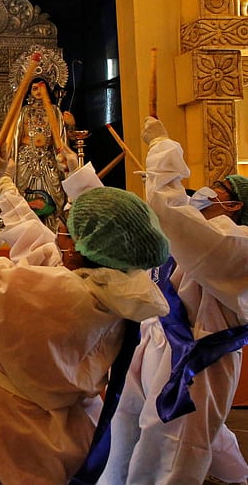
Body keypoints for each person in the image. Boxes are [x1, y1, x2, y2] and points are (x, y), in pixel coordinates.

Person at [0, 140, 170, 485]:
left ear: (83, 247)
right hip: (70, 429)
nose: (62, 239)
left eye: (69, 233)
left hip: (10, 431)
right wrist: (6, 188)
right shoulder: (120, 288)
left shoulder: (50, 296)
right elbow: (40, 249)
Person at [97, 116, 248, 485]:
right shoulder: (194, 237)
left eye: (217, 189)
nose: (206, 192)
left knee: (172, 449)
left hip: (197, 357)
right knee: (125, 431)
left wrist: (162, 149)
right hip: (157, 343)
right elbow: (157, 226)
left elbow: (172, 214)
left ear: (234, 205)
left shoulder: (235, 242)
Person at [9, 77, 70, 229]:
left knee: (55, 195)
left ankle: (53, 229)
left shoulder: (54, 111)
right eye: (34, 88)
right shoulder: (24, 111)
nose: (38, 92)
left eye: (41, 89)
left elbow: (60, 137)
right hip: (26, 159)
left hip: (48, 159)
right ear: (29, 91)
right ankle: (25, 229)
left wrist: (63, 155)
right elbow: (15, 137)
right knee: (23, 194)